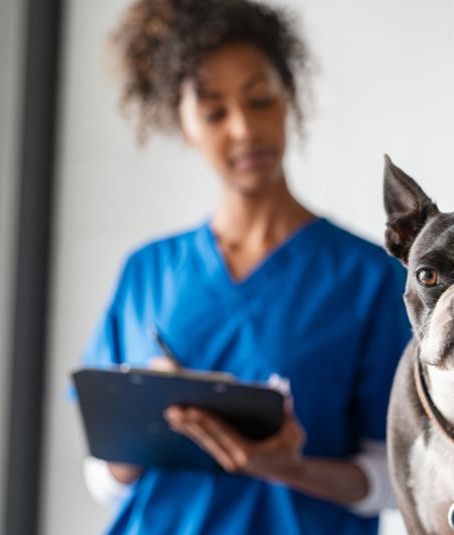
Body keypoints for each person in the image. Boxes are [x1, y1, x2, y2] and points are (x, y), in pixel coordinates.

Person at [78, 0, 410, 533]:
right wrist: (144, 419)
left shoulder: (369, 278)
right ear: (183, 124)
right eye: (214, 112)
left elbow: (396, 479)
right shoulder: (147, 272)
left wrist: (289, 468)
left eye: (260, 99)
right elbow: (104, 479)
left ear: (288, 99)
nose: (244, 129)